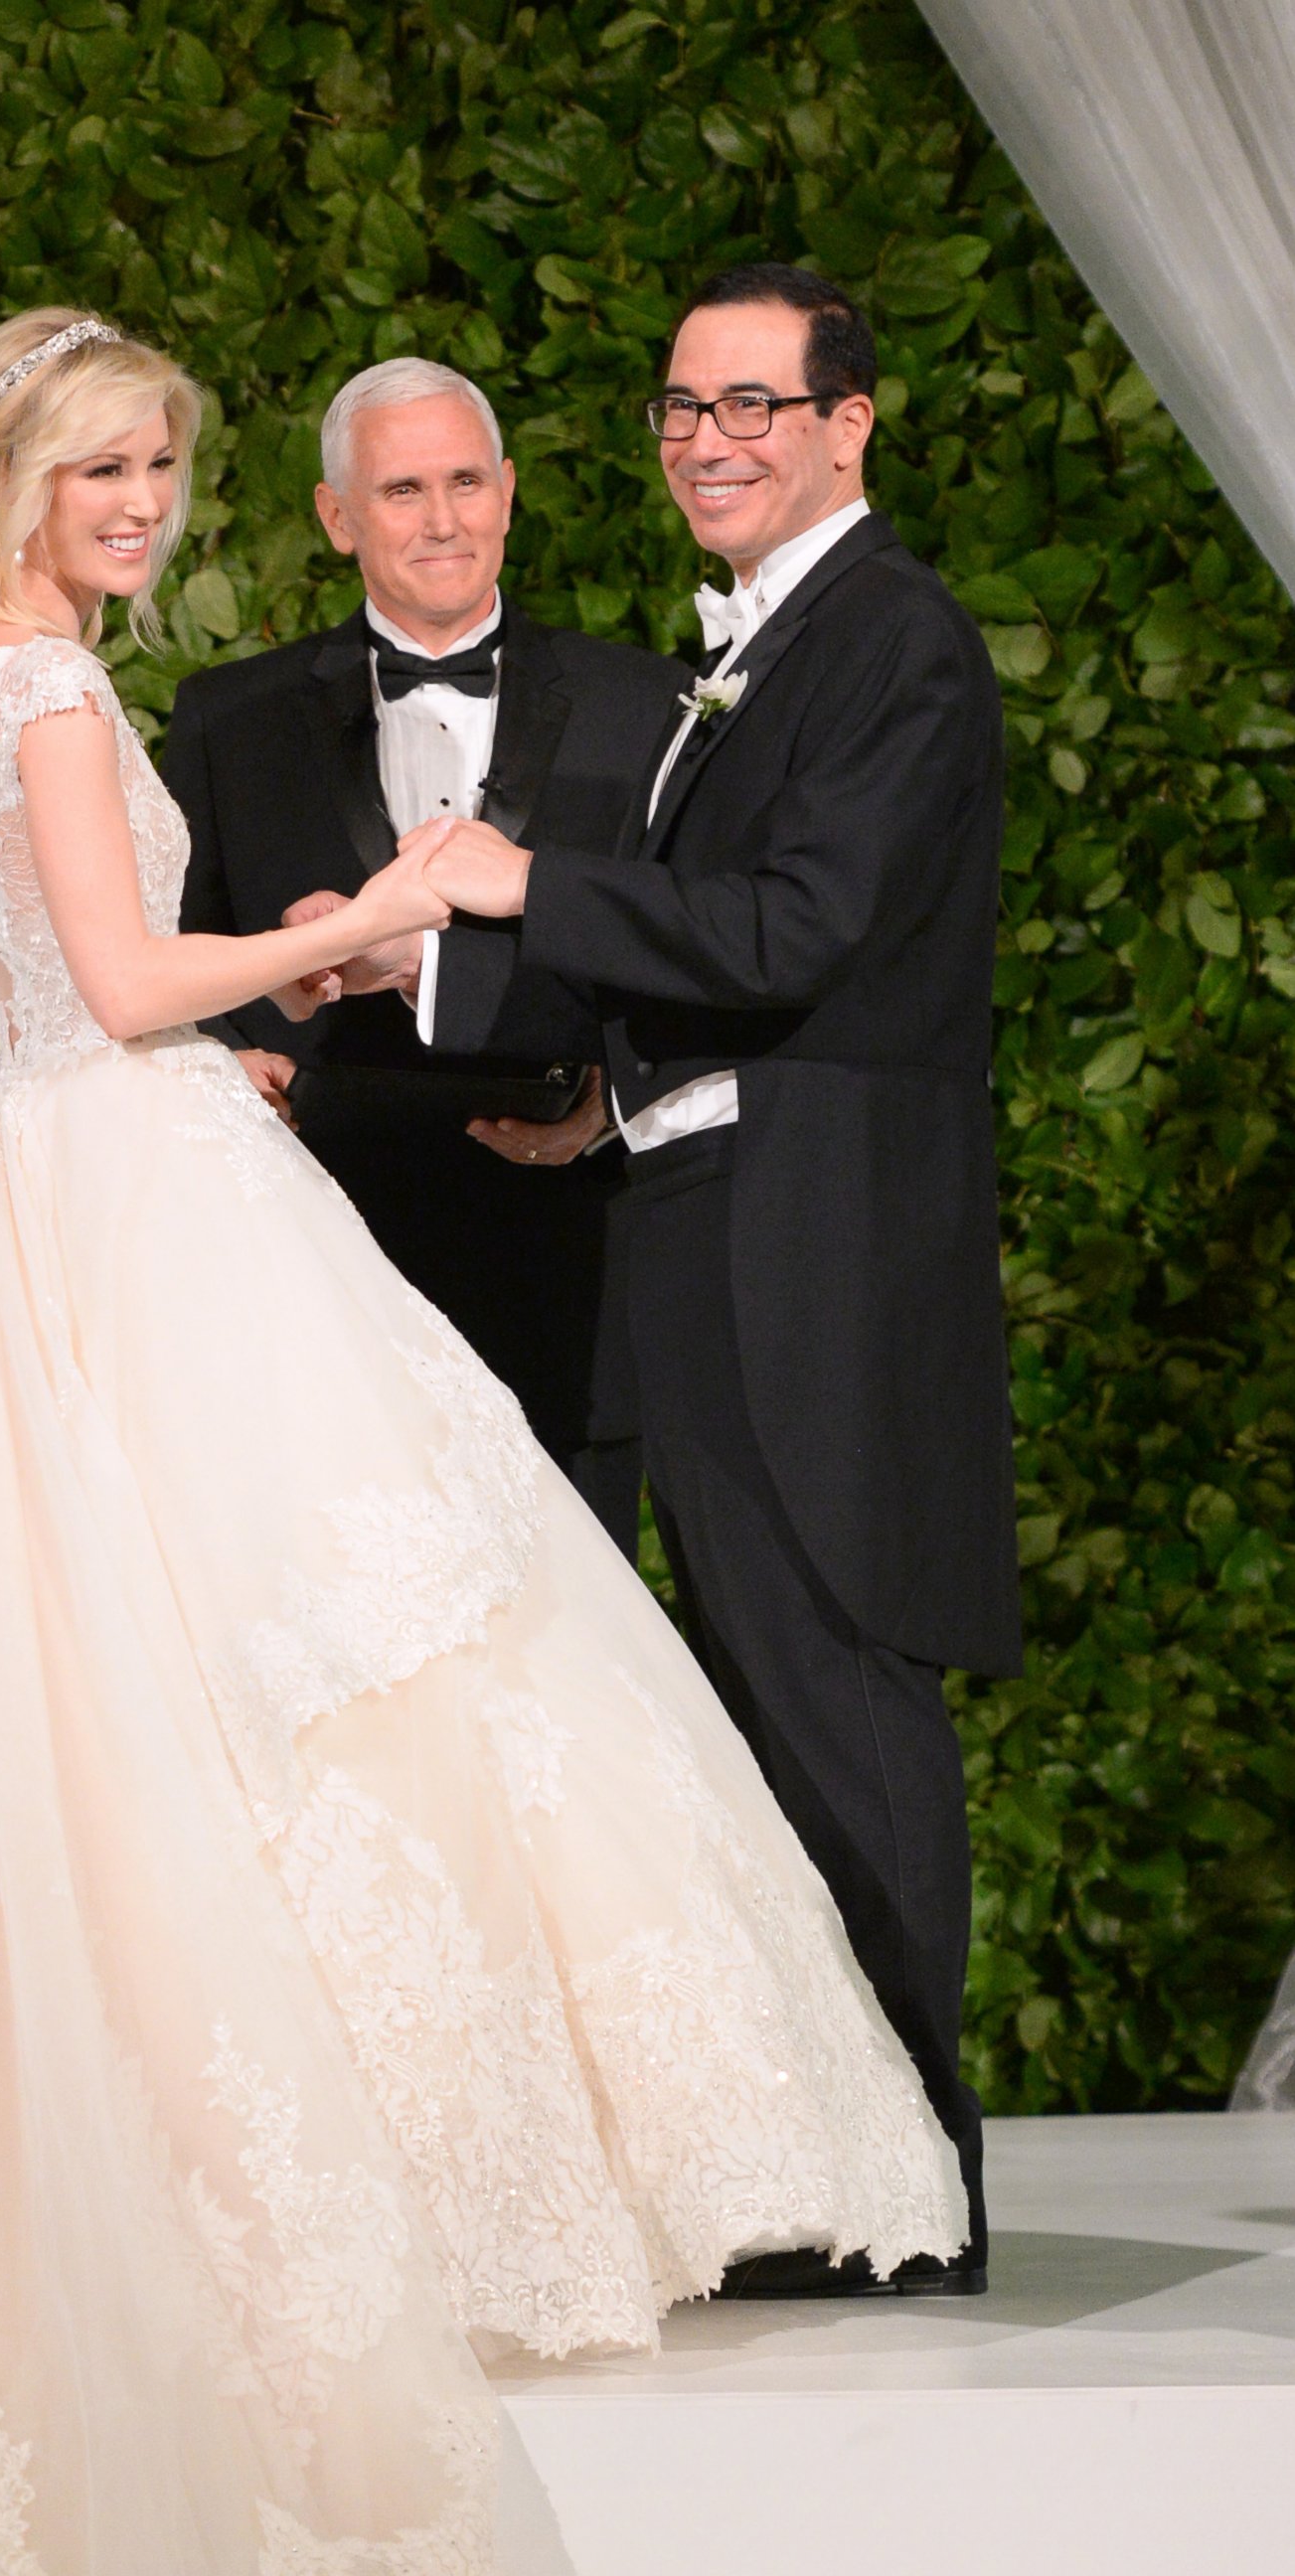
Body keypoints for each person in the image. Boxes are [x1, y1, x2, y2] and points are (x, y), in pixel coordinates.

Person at [0, 308, 967, 2568]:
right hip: (119, 1202)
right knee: (292, 1660)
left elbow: (38, 995)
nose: (137, 507)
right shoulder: (30, 680)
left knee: (157, 1668)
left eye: (157, 470)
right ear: (10, 476)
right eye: (101, 471)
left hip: (81, 1163)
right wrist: (380, 914)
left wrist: (262, 979)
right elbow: (114, 987)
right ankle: (272, 2191)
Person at [411, 264, 1022, 2296]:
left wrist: (516, 881)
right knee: (752, 1709)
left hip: (818, 1248)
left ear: (853, 420)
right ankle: (832, 2172)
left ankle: (910, 2196)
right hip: (704, 1221)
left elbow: (798, 928)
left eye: (751, 406)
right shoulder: (769, 645)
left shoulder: (896, 641)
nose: (707, 442)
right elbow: (747, 973)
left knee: (836, 1691)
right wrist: (602, 1104)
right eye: (680, 408)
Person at [164, 360, 679, 1559]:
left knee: (583, 1653)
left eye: (464, 482)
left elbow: (692, 950)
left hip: (570, 1261)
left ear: (508, 492)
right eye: (403, 489)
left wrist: (613, 1101)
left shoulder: (648, 704)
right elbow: (168, 961)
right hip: (318, 1265)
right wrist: (221, 1063)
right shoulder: (227, 718)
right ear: (338, 519)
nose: (443, 518)